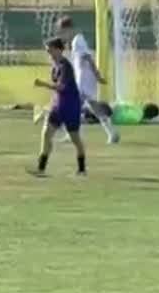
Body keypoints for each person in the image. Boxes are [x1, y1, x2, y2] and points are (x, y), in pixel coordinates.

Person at [34, 36, 87, 178]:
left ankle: (82, 169)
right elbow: (57, 90)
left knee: (75, 138)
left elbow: (61, 87)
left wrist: (43, 84)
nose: (48, 53)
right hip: (58, 105)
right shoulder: (55, 66)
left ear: (58, 50)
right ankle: (41, 169)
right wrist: (49, 105)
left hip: (70, 106)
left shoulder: (66, 66)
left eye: (49, 50)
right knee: (46, 134)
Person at [59, 17, 118, 145]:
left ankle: (72, 135)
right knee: (94, 107)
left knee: (71, 107)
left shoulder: (78, 40)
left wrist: (97, 75)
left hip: (84, 81)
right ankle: (112, 133)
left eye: (63, 32)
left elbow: (88, 58)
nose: (63, 36)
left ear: (69, 29)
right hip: (84, 81)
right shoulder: (75, 42)